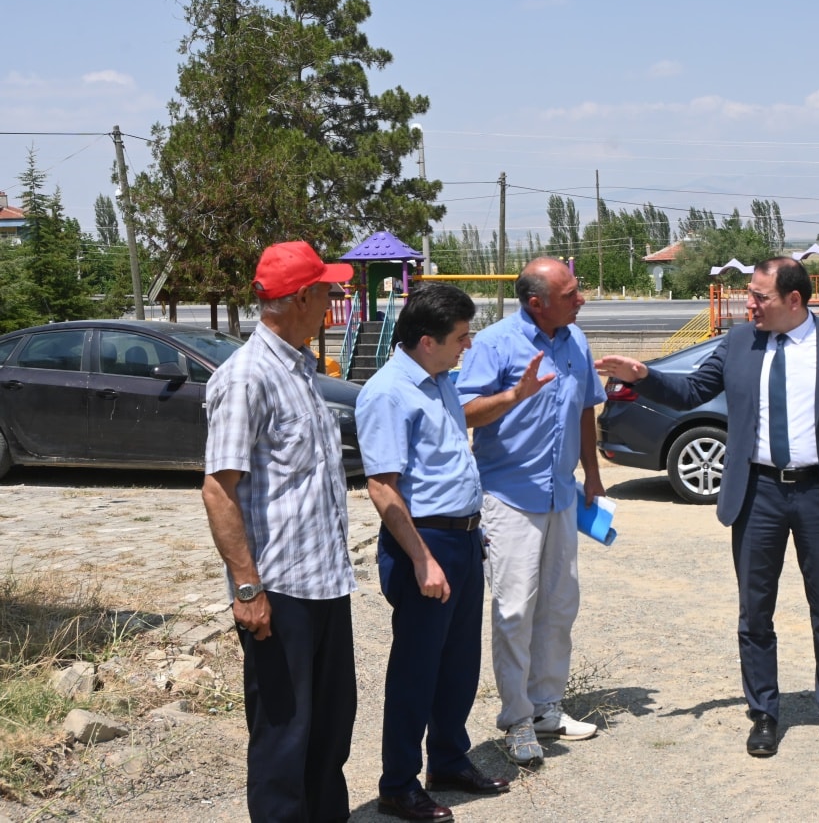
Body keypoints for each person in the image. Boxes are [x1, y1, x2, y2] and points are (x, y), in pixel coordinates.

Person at [595, 257, 819, 757]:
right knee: (755, 611)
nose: (748, 303)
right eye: (749, 293)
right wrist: (644, 375)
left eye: (759, 296)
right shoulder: (739, 342)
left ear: (794, 300)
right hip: (757, 493)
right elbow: (692, 391)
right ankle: (764, 713)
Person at [201, 240, 357, 822]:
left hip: (325, 585)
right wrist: (247, 588)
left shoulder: (299, 369)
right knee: (283, 739)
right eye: (325, 291)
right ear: (298, 299)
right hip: (280, 593)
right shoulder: (246, 378)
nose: (332, 301)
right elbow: (219, 488)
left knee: (329, 732)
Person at [356, 284, 513, 822]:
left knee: (458, 665)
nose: (466, 347)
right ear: (427, 341)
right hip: (424, 542)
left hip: (464, 537)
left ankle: (447, 759)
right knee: (416, 671)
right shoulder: (387, 393)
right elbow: (383, 487)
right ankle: (398, 784)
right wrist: (423, 558)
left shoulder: (440, 380)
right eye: (461, 338)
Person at [455, 257, 606, 766]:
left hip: (561, 494)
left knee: (560, 605)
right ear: (536, 302)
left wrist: (594, 474)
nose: (580, 299)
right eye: (571, 294)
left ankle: (546, 706)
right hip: (507, 496)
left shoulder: (576, 341)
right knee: (515, 608)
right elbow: (463, 411)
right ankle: (517, 719)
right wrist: (513, 395)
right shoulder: (496, 343)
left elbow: (586, 406)